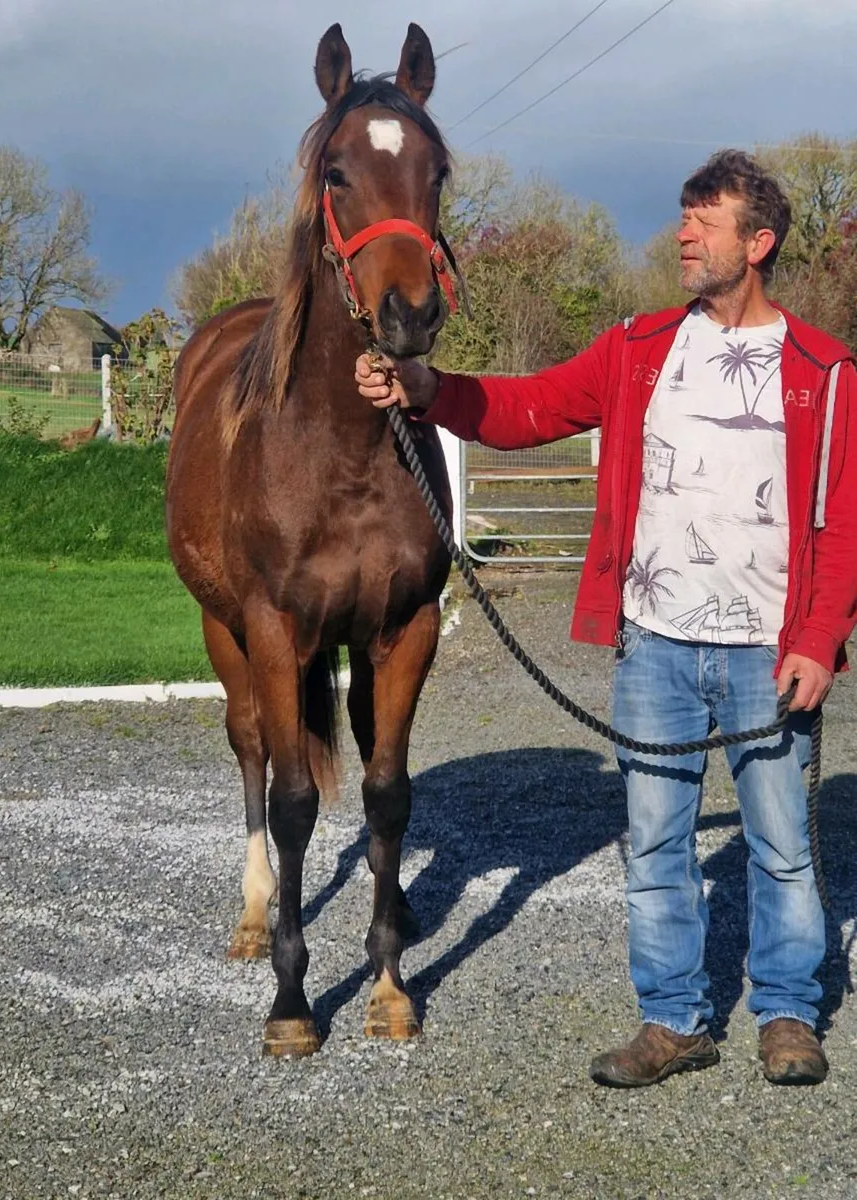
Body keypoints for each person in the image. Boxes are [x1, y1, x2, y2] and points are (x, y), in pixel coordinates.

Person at [356, 149, 857, 1087]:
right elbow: (525, 407)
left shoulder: (824, 374)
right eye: (683, 216)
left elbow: (843, 528)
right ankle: (674, 1020)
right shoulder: (637, 349)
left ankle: (788, 1012)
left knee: (784, 846)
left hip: (766, 651)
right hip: (656, 646)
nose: (684, 234)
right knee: (658, 843)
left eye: (706, 222)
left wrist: (819, 643)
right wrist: (427, 390)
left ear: (759, 241)